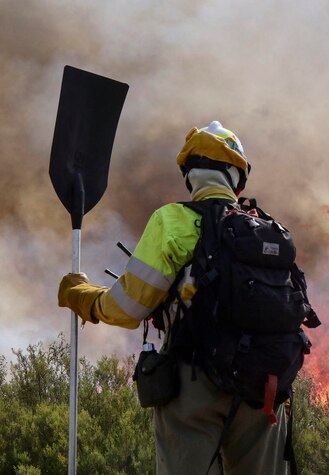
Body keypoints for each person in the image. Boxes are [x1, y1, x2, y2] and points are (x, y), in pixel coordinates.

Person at [58, 121, 289, 475]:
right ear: (237, 178)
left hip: (195, 382)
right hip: (266, 388)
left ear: (190, 176)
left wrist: (84, 297)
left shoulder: (173, 221)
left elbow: (128, 307)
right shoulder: (268, 229)